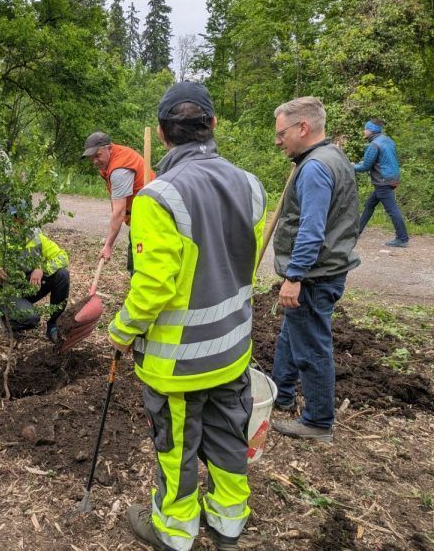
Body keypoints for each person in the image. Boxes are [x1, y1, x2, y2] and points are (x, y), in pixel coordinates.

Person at [108, 81, 267, 551]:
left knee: (176, 448)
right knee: (227, 439)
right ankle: (228, 523)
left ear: (162, 134)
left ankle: (175, 533)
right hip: (234, 349)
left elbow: (154, 285)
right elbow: (240, 263)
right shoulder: (251, 185)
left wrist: (121, 330)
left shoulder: (157, 198)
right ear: (213, 125)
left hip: (178, 364)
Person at [270, 96, 360, 443]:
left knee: (311, 347)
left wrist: (294, 277)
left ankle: (319, 421)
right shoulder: (333, 156)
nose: (279, 141)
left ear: (303, 128)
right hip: (325, 269)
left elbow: (311, 229)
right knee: (292, 336)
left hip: (314, 275)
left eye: (282, 133)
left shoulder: (315, 168)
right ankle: (281, 394)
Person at [0, 206, 70, 344]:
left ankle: (53, 325)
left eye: (22, 219)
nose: (18, 223)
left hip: (26, 286)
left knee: (62, 275)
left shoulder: (36, 236)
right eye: (14, 219)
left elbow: (63, 257)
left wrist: (42, 268)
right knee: (32, 319)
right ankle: (8, 320)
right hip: (4, 292)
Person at [82, 131, 154, 273]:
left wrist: (108, 245)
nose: (95, 162)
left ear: (109, 148)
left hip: (150, 219)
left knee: (140, 267)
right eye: (92, 158)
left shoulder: (120, 169)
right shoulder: (112, 159)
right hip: (140, 217)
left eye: (97, 156)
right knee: (135, 263)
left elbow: (119, 212)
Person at [354, 119, 409, 247]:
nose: (364, 131)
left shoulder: (374, 145)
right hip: (392, 178)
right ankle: (357, 231)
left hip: (383, 181)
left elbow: (365, 167)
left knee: (392, 210)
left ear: (371, 130)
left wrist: (349, 166)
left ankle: (402, 238)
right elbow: (382, 160)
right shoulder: (387, 140)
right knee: (369, 204)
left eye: (365, 129)